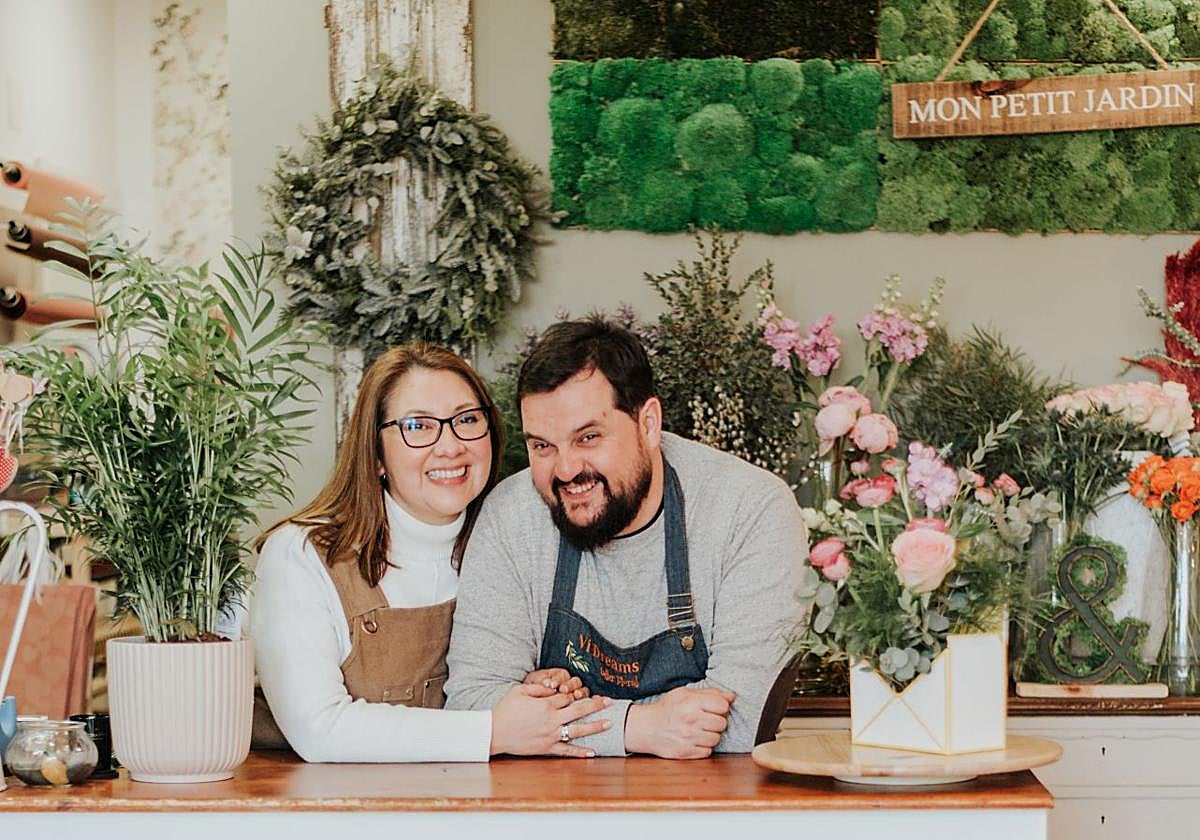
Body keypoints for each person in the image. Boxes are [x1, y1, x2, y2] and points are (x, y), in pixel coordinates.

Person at [445, 319, 807, 758]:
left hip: (709, 814)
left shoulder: (749, 508)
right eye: (543, 446)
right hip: (552, 811)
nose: (565, 470)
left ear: (649, 424)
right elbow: (472, 707)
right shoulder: (509, 515)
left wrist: (550, 718)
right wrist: (641, 726)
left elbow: (744, 724)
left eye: (588, 437)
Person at [251, 344, 609, 763]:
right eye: (418, 426)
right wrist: (495, 730)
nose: (451, 446)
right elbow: (319, 729)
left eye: (467, 420)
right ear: (376, 453)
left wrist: (526, 691)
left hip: (467, 804)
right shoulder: (299, 556)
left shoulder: (510, 543)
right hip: (322, 810)